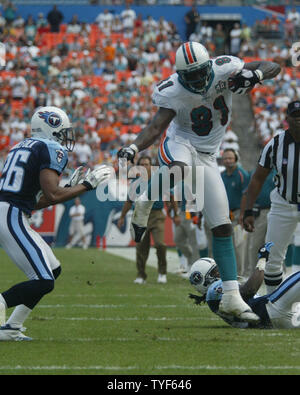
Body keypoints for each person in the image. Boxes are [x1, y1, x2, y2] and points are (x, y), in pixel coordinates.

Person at [117, 41, 281, 323]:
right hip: (179, 142)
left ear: (208, 66)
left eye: (198, 73)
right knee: (178, 169)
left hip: (207, 156)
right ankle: (144, 202)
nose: (195, 80)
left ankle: (231, 296)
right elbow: (156, 127)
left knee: (222, 226)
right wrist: (134, 147)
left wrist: (256, 75)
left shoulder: (225, 67)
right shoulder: (173, 90)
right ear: (180, 74)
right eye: (188, 75)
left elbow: (272, 66)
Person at [0, 106, 112, 341]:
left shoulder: (20, 146)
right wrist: (87, 186)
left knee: (53, 270)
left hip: (12, 211)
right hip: (10, 214)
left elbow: (37, 202)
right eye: (61, 132)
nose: (64, 138)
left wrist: (70, 189)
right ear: (50, 128)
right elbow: (52, 195)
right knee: (43, 281)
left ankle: (12, 327)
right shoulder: (50, 147)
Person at [243, 101, 300, 294]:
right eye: (295, 115)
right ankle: (274, 304)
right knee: (273, 259)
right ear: (287, 119)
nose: (299, 118)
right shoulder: (276, 143)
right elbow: (257, 179)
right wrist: (248, 210)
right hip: (283, 204)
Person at [188, 242, 300, 329]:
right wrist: (262, 259)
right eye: (214, 272)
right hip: (271, 309)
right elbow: (249, 290)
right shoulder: (214, 290)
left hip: (274, 318)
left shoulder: (213, 298)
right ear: (203, 280)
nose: (220, 272)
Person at [117, 155, 174, 284]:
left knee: (160, 244)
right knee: (141, 247)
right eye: (141, 164)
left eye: (146, 164)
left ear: (151, 166)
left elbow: (171, 195)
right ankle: (141, 275)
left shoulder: (159, 179)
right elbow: (128, 201)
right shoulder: (135, 182)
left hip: (157, 215)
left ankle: (162, 273)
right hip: (141, 216)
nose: (144, 167)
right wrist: (121, 217)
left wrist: (175, 213)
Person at [240, 168, 276, 278]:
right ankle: (253, 275)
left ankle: (275, 274)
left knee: (275, 244)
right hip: (260, 211)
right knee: (255, 245)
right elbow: (246, 193)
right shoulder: (256, 172)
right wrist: (244, 213)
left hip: (276, 210)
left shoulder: (279, 170)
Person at [221, 148, 249, 276]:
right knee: (227, 245)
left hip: (238, 213)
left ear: (236, 159)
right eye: (225, 158)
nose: (228, 161)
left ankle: (240, 274)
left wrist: (242, 215)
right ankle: (229, 272)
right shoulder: (222, 175)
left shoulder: (242, 174)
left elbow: (246, 195)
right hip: (225, 214)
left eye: (230, 158)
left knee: (239, 245)